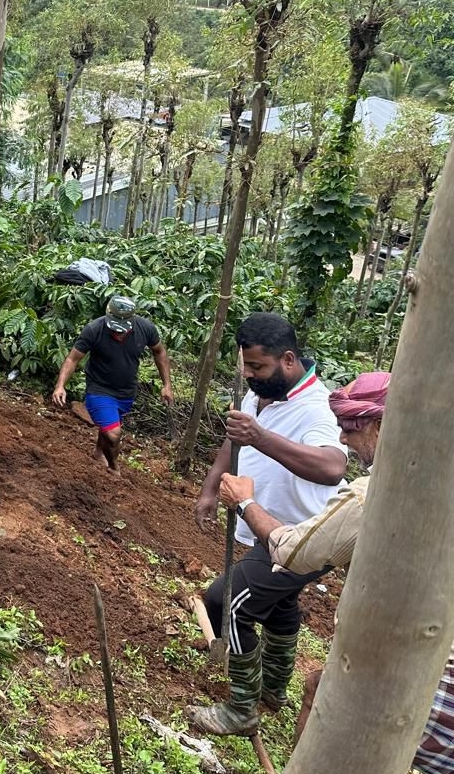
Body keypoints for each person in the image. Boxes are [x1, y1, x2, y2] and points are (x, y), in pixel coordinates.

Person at [219, 372, 454, 774]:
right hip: (433, 646)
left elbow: (292, 550)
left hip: (415, 664)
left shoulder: (374, 494)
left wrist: (245, 502)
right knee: (318, 685)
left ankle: (250, 717)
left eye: (351, 427)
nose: (344, 438)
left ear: (385, 424)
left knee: (231, 600)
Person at [184, 312, 349, 736]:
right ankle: (273, 690)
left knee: (225, 602)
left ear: (288, 359)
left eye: (257, 367)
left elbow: (332, 468)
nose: (249, 375)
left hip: (308, 534)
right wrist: (210, 487)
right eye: (246, 365)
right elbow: (235, 436)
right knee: (279, 606)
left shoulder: (318, 409)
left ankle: (242, 709)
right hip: (270, 529)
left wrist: (260, 437)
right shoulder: (261, 393)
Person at [51, 296, 172, 471]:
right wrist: (60, 385)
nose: (118, 333)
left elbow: (159, 351)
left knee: (109, 426)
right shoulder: (94, 329)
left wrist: (167, 384)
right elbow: (72, 359)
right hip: (99, 388)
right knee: (114, 434)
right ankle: (114, 469)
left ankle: (99, 453)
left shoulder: (145, 328)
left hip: (126, 391)